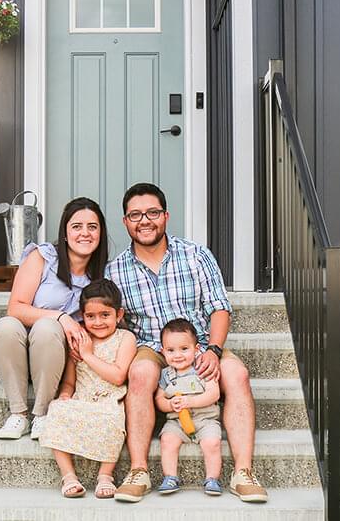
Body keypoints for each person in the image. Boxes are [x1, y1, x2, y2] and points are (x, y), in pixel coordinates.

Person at [105, 182, 268, 503]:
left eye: (152, 212)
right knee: (139, 375)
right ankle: (138, 471)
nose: (144, 221)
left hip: (199, 344)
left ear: (165, 216)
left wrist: (214, 349)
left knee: (236, 374)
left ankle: (243, 473)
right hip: (151, 347)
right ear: (125, 222)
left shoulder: (195, 255)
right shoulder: (115, 271)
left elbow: (219, 308)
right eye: (135, 215)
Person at [0, 197, 108, 440]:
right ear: (65, 232)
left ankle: (42, 414)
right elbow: (15, 308)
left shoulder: (104, 273)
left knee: (47, 328)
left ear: (100, 233)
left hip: (54, 354)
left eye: (92, 227)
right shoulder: (43, 257)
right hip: (18, 350)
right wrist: (62, 316)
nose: (85, 233)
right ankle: (18, 414)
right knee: (6, 325)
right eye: (77, 226)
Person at [39, 279, 137, 498]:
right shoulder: (80, 339)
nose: (98, 322)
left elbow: (118, 375)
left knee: (114, 418)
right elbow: (70, 382)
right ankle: (69, 476)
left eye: (105, 315)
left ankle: (105, 475)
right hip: (81, 397)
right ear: (82, 315)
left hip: (110, 399)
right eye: (90, 316)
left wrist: (88, 355)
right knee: (56, 410)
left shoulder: (125, 338)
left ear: (119, 315)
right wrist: (65, 395)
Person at [155, 318, 222, 496]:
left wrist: (190, 402)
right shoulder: (166, 374)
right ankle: (170, 477)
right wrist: (169, 404)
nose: (177, 355)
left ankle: (212, 478)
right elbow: (159, 399)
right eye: (171, 350)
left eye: (184, 349)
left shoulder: (202, 368)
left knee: (212, 443)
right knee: (168, 441)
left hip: (205, 419)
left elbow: (213, 393)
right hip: (176, 422)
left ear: (197, 348)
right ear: (163, 352)